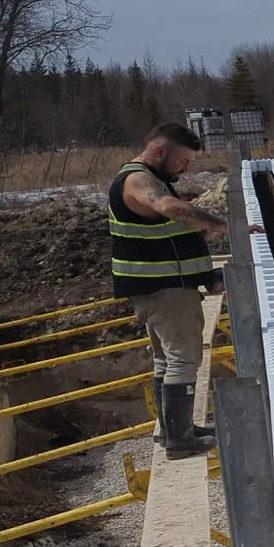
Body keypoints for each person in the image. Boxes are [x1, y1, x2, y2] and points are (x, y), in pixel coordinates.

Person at [109, 124, 228, 458]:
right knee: (183, 359)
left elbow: (163, 232)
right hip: (166, 291)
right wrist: (220, 224)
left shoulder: (148, 177)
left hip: (159, 289)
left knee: (166, 361)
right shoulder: (138, 180)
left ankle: (177, 430)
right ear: (160, 151)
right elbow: (169, 208)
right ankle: (180, 440)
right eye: (182, 161)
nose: (186, 168)